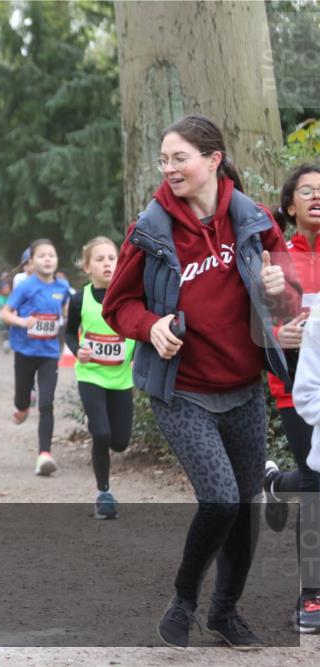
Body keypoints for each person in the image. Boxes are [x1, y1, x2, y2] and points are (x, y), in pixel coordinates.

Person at [102, 114, 299, 650]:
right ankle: (185, 599)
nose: (169, 169)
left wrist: (281, 286)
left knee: (245, 507)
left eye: (179, 158)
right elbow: (117, 304)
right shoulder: (150, 230)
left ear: (213, 160)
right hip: (181, 388)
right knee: (219, 498)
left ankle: (224, 613)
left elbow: (287, 305)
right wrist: (152, 325)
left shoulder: (256, 221)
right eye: (164, 160)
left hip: (243, 389)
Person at [262, 164, 320, 633]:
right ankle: (312, 598)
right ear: (289, 205)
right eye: (307, 191)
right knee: (319, 483)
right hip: (296, 388)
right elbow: (252, 327)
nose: (317, 197)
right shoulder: (274, 259)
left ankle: (278, 484)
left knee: (312, 479)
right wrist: (280, 335)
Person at [64, 237, 135, 520]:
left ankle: (105, 481)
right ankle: (103, 493)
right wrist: (77, 349)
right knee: (101, 433)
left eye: (112, 258)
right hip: (90, 375)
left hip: (121, 378)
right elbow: (69, 333)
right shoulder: (79, 299)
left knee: (119, 442)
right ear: (87, 267)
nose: (107, 263)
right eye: (100, 259)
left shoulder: (128, 296)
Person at [0, 239, 71, 475]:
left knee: (47, 403)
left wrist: (66, 318)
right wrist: (22, 321)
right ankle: (21, 406)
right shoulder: (25, 286)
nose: (48, 259)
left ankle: (44, 455)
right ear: (31, 261)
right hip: (25, 351)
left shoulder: (61, 287)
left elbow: (66, 311)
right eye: (42, 256)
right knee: (22, 404)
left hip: (49, 353)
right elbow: (5, 313)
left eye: (52, 255)